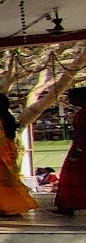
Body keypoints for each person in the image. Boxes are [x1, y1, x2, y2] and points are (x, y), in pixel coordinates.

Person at [49, 87, 86, 216]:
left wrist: (79, 149)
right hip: (79, 148)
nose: (70, 101)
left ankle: (69, 205)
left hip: (81, 150)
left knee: (72, 177)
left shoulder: (84, 114)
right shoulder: (81, 113)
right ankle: (68, 205)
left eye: (72, 98)